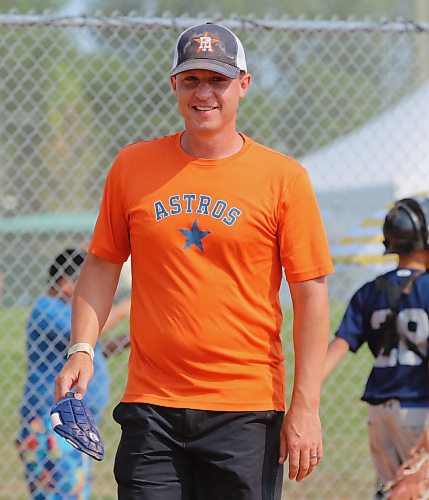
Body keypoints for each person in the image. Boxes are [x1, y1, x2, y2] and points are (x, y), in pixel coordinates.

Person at [54, 22, 333, 500]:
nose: (204, 93)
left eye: (218, 80)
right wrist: (82, 347)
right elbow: (101, 266)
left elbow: (311, 295)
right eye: (192, 80)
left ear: (243, 85)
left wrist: (304, 407)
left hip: (245, 409)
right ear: (174, 86)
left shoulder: (283, 178)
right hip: (152, 408)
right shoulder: (133, 166)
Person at [323, 196, 429, 498]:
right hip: (420, 409)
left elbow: (338, 346)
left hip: (379, 411)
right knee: (416, 489)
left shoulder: (369, 291)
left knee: (389, 488)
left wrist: (305, 397)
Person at [17, 248, 130, 499]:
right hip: (51, 423)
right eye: (84, 281)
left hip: (77, 424)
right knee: (59, 493)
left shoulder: (72, 319)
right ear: (65, 283)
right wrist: (123, 310)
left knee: (75, 492)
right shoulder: (46, 308)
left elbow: (98, 347)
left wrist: (133, 338)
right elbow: (81, 335)